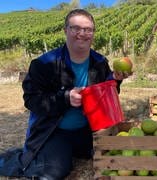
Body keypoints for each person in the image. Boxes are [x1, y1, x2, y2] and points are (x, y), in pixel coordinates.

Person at [0, 9, 131, 179]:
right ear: (65, 30)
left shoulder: (99, 62)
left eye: (88, 29)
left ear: (93, 33)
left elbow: (105, 97)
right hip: (55, 131)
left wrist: (115, 79)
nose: (82, 34)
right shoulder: (44, 64)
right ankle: (15, 158)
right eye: (75, 28)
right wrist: (65, 97)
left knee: (116, 154)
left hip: (87, 130)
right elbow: (32, 100)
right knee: (54, 172)